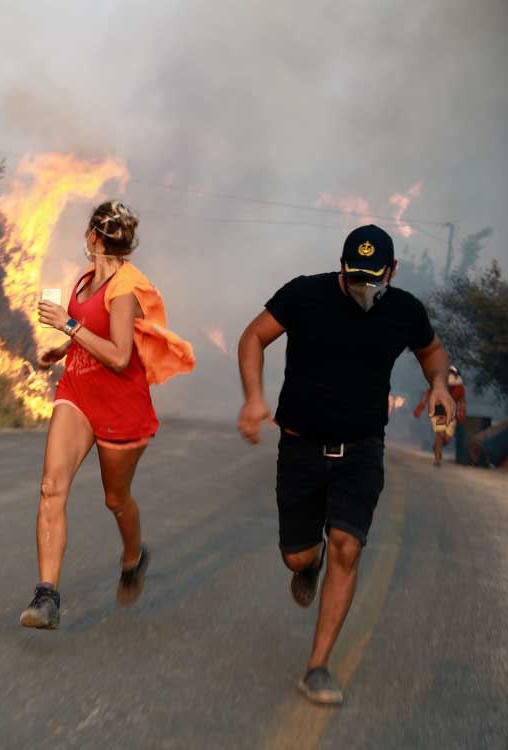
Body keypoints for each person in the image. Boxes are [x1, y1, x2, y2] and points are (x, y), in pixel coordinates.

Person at [236, 223, 454, 706]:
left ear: (391, 271)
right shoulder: (304, 294)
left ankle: (317, 666)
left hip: (361, 450)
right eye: (354, 276)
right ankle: (307, 565)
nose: (362, 286)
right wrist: (253, 397)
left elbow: (433, 351)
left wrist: (438, 383)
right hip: (300, 448)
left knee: (347, 547)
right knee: (298, 556)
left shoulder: (405, 310)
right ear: (341, 267)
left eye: (372, 278)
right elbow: (253, 337)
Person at [21, 200, 195, 629]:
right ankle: (46, 597)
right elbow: (90, 330)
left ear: (92, 237)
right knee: (51, 487)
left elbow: (118, 356)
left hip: (121, 406)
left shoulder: (125, 289)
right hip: (78, 391)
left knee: (115, 499)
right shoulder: (86, 280)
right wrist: (61, 349)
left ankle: (134, 557)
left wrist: (67, 326)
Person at [411, 364, 468, 467]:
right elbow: (426, 396)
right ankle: (437, 460)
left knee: (447, 439)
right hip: (439, 410)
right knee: (440, 435)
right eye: (449, 373)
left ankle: (437, 447)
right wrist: (420, 408)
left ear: (457, 376)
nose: (451, 375)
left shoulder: (460, 388)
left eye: (453, 373)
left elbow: (462, 401)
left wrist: (462, 411)